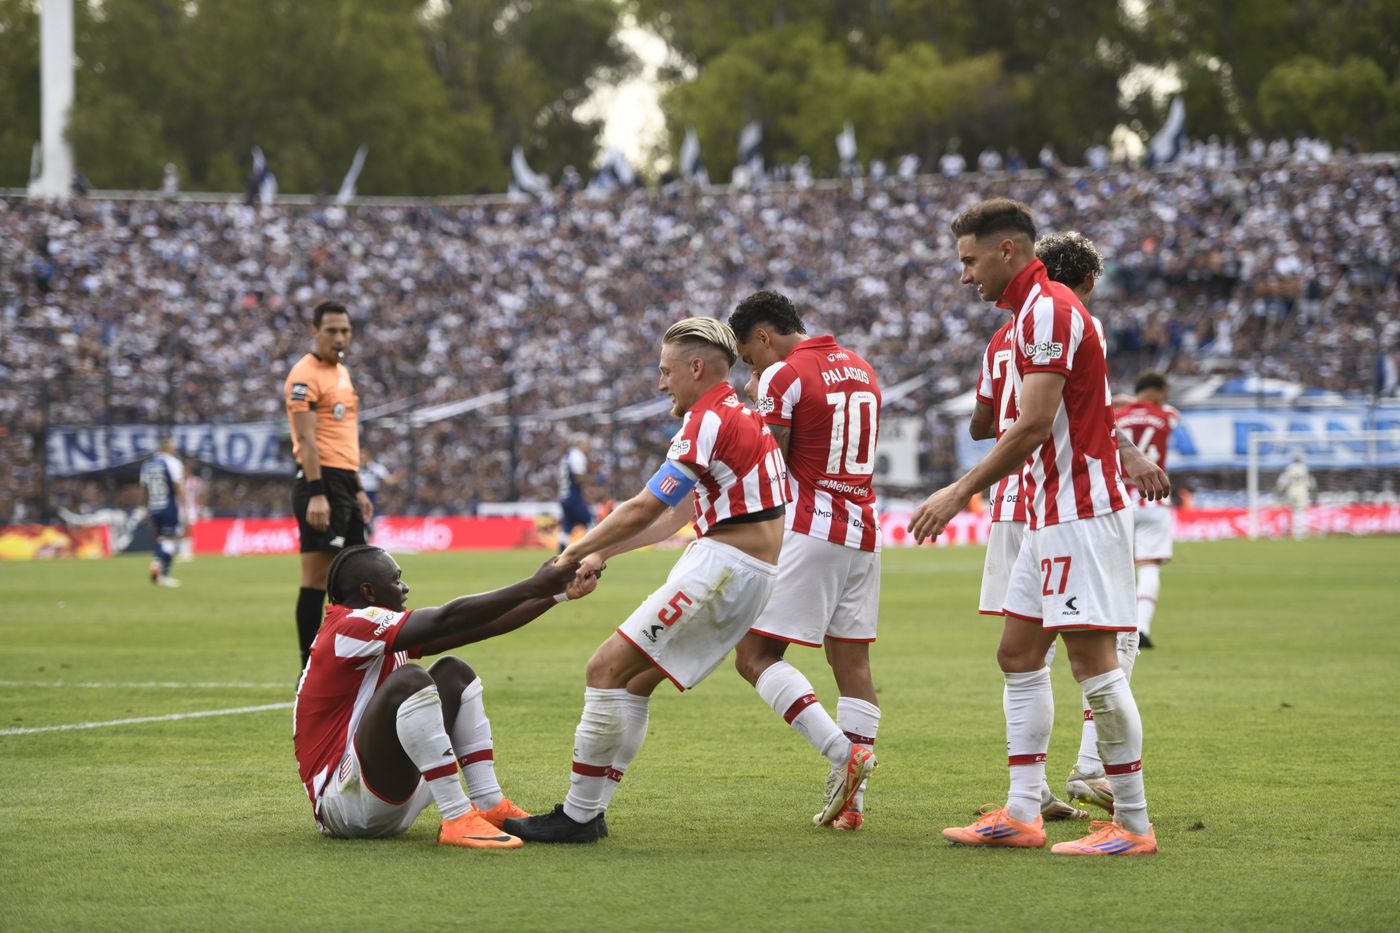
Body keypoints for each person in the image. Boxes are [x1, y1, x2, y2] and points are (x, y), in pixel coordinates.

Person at [503, 317, 818, 844]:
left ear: (696, 368)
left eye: (665, 370)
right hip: (743, 570)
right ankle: (591, 810)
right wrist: (602, 553)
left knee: (603, 667)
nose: (659, 383)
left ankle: (578, 817)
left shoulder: (708, 420)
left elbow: (647, 504)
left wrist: (571, 552)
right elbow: (675, 517)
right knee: (633, 682)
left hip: (722, 569)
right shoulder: (742, 416)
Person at [911, 199, 1161, 856]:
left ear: (1008, 252)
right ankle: (1023, 810)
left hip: (1079, 512)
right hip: (1047, 513)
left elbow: (1029, 424)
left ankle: (1133, 823)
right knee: (1018, 653)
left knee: (1094, 666)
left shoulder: (1049, 310)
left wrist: (960, 489)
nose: (964, 276)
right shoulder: (1028, 315)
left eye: (969, 261)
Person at [294, 545, 592, 848]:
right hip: (345, 804)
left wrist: (557, 594)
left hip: (377, 792)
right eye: (396, 580)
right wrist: (531, 585)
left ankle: (490, 805)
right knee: (410, 679)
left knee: (454, 673)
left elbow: (481, 626)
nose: (404, 587)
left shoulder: (369, 631)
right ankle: (456, 816)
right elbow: (445, 619)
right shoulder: (348, 626)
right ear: (369, 592)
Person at [726, 290, 884, 831]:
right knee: (853, 664)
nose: (753, 368)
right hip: (862, 528)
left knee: (754, 656)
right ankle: (852, 808)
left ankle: (844, 755)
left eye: (749, 357)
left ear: (764, 337)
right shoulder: (862, 367)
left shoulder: (783, 375)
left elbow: (768, 460)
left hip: (808, 526)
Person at [1034, 232, 1169, 815]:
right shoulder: (1074, 322)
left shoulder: (1018, 326)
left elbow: (989, 419)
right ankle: (1100, 781)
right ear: (1090, 281)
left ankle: (1027, 797)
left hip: (1037, 501)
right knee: (1104, 646)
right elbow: (1048, 418)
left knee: (1023, 653)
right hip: (1073, 502)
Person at [284, 301, 373, 670]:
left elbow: (343, 439)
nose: (339, 337)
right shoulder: (304, 377)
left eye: (345, 331)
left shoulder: (342, 373)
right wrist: (318, 493)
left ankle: (352, 657)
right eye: (332, 330)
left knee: (359, 576)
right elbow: (307, 441)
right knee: (318, 578)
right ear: (314, 331)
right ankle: (309, 668)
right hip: (320, 483)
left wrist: (357, 488)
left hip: (343, 481)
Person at [1113, 371, 1180, 649]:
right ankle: (1142, 627)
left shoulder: (1115, 416)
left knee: (1115, 567)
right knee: (1149, 565)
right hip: (1153, 498)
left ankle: (1116, 628)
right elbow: (1171, 413)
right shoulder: (1167, 415)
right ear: (1158, 391)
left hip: (1118, 499)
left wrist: (1126, 403)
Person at [140, 438, 185, 587]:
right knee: (170, 540)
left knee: (160, 539)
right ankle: (161, 571)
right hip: (168, 507)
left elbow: (144, 489)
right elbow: (178, 487)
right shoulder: (173, 463)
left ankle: (157, 565)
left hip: (153, 507)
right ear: (169, 447)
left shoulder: (147, 464)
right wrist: (184, 507)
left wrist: (143, 509)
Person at [557, 432, 593, 551]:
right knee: (590, 521)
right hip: (573, 496)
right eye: (586, 444)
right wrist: (596, 480)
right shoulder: (577, 455)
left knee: (567, 526)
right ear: (580, 444)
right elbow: (578, 477)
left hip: (564, 496)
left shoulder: (567, 456)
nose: (588, 447)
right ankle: (587, 549)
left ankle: (561, 553)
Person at [1275, 454, 1315, 539]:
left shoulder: (1289, 467)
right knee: (1300, 511)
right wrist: (1311, 490)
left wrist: (1280, 490)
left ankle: (1286, 530)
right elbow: (1310, 482)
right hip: (1302, 491)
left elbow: (1282, 480)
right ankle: (1299, 532)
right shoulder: (1304, 468)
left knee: (1289, 510)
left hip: (1291, 491)